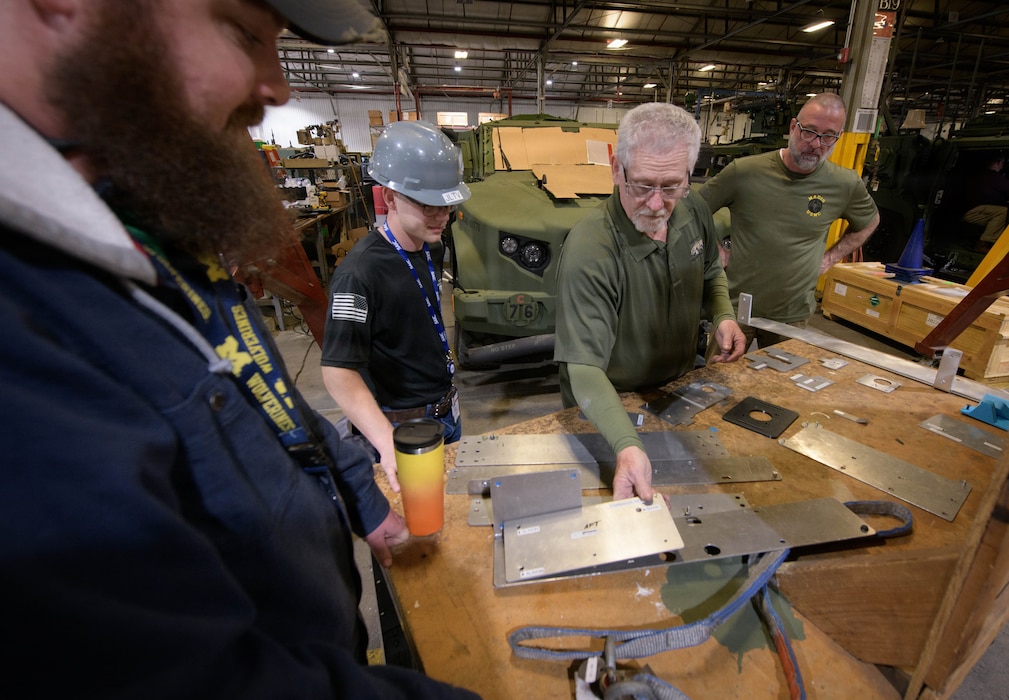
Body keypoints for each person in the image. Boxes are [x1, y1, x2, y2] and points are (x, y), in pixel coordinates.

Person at [0, 1, 479, 698]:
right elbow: (175, 672)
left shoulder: (149, 228)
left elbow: (265, 398)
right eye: (242, 32)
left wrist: (355, 490)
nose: (278, 85)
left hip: (325, 631)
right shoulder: (30, 310)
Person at [553, 102, 747, 504]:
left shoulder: (692, 210)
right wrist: (626, 444)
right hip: (608, 407)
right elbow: (584, 370)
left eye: (672, 186)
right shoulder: (591, 249)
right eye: (641, 186)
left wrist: (724, 315)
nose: (657, 204)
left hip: (678, 390)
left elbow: (711, 270)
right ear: (615, 167)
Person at [321, 121, 470, 493]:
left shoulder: (431, 247)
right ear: (389, 198)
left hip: (445, 414)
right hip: (401, 431)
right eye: (428, 204)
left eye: (447, 205)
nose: (441, 216)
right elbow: (339, 373)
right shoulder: (359, 274)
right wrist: (388, 443)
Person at [697, 92, 880, 348]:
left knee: (783, 382)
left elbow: (869, 222)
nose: (816, 144)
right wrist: (715, 253)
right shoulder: (745, 172)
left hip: (793, 314)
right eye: (809, 132)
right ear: (793, 127)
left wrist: (830, 258)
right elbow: (693, 211)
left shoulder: (844, 183)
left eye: (828, 136)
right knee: (720, 382)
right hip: (736, 307)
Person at [962, 154, 1009, 252]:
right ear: (999, 163)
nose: (1002, 166)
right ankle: (984, 243)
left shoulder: (977, 174)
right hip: (974, 212)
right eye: (1002, 163)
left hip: (970, 212)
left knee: (998, 217)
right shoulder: (994, 177)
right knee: (1004, 212)